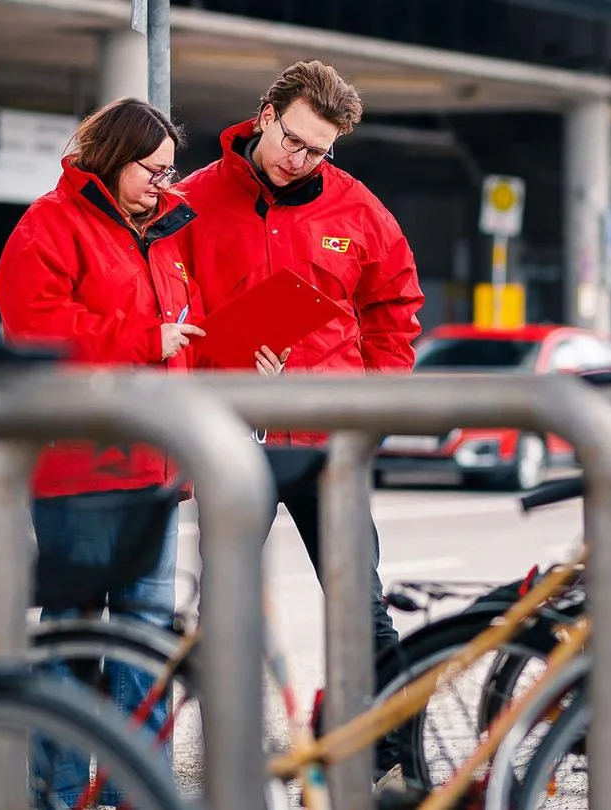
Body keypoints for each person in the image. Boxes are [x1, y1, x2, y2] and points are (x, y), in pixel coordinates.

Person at [175, 57, 424, 782]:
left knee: (360, 606)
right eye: (293, 140)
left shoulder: (359, 210)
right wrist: (215, 365)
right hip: (234, 440)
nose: (300, 159)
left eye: (319, 151)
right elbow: (168, 310)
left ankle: (390, 753)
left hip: (327, 442)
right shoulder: (192, 202)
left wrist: (371, 409)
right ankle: (230, 756)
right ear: (265, 116)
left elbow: (395, 311)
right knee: (225, 607)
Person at [0, 96, 202, 805]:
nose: (163, 185)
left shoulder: (167, 235)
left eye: (170, 171)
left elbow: (185, 335)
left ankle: (136, 793)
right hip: (80, 472)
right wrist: (145, 338)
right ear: (112, 159)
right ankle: (56, 796)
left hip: (155, 470)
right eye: (152, 170)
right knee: (76, 643)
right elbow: (37, 330)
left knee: (146, 647)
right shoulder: (48, 226)